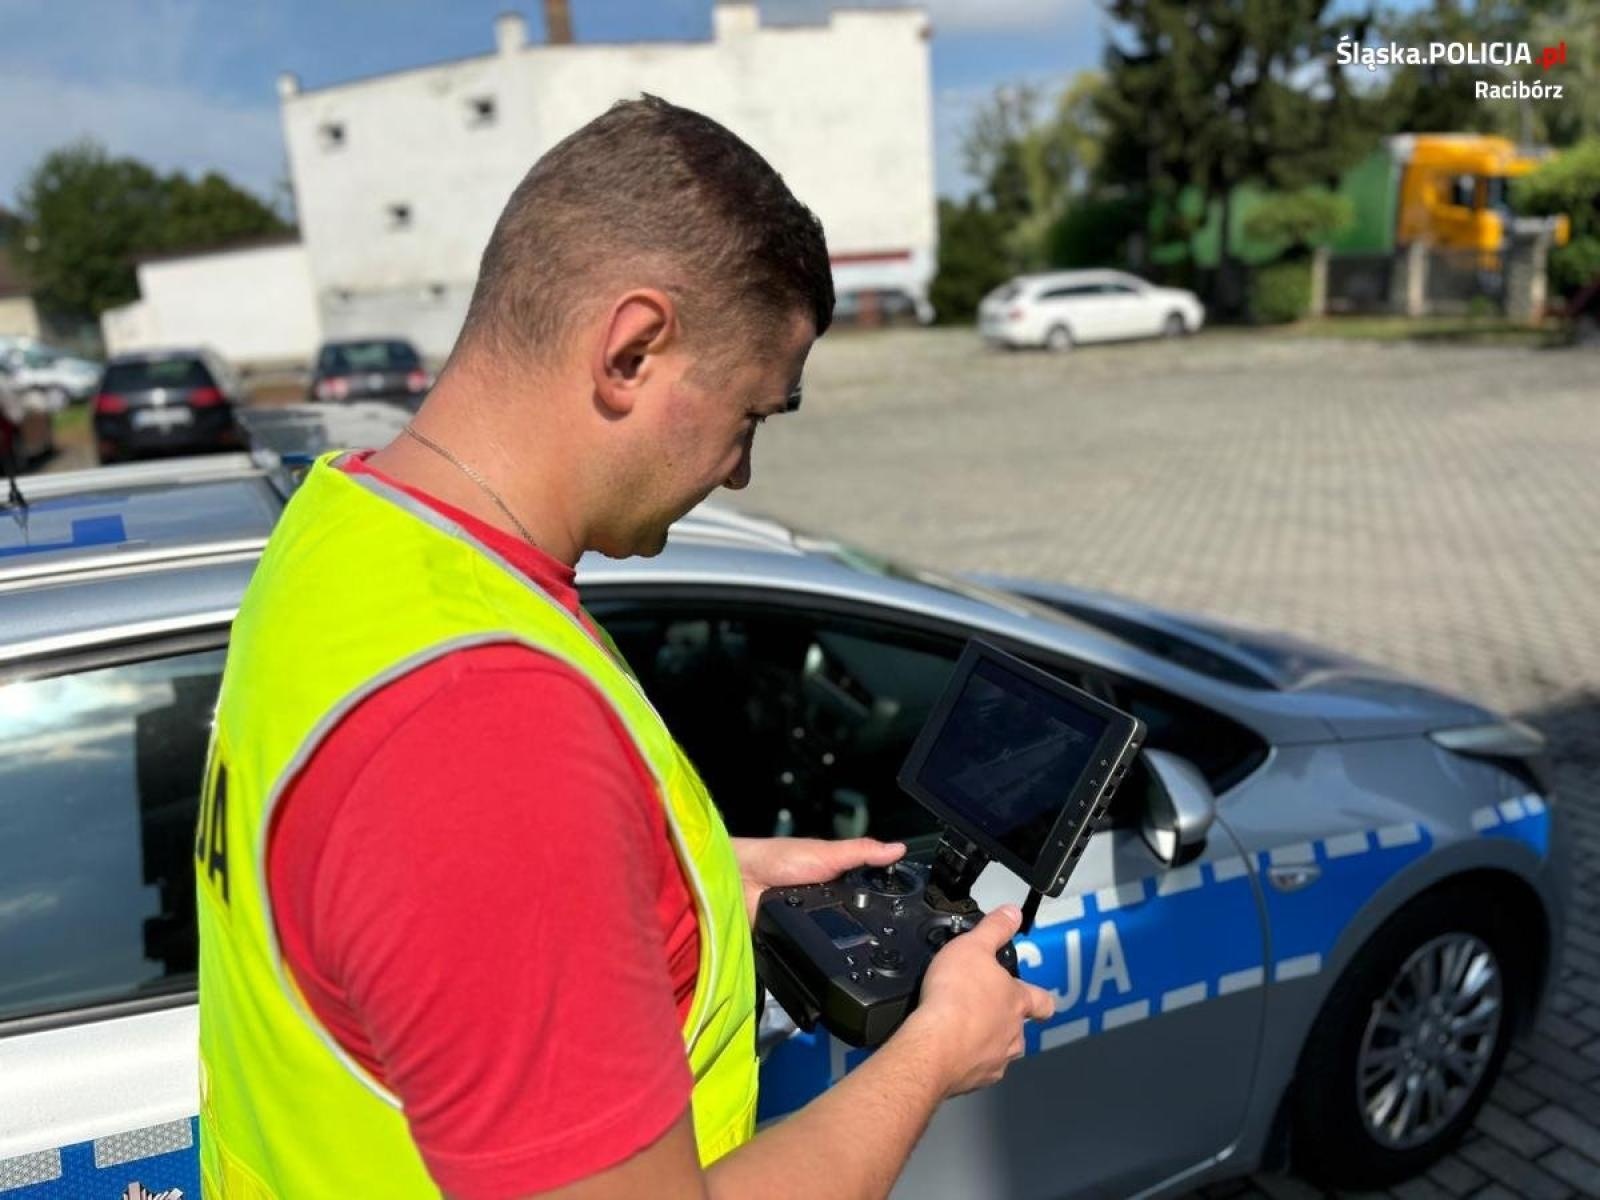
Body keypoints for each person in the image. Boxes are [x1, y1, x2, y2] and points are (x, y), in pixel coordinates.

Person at [195, 95, 1053, 1200]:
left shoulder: (345, 533)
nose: (739, 471)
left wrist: (690, 890)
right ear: (633, 349)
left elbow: (401, 919)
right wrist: (930, 1056)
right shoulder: (483, 726)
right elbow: (475, 826)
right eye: (753, 414)